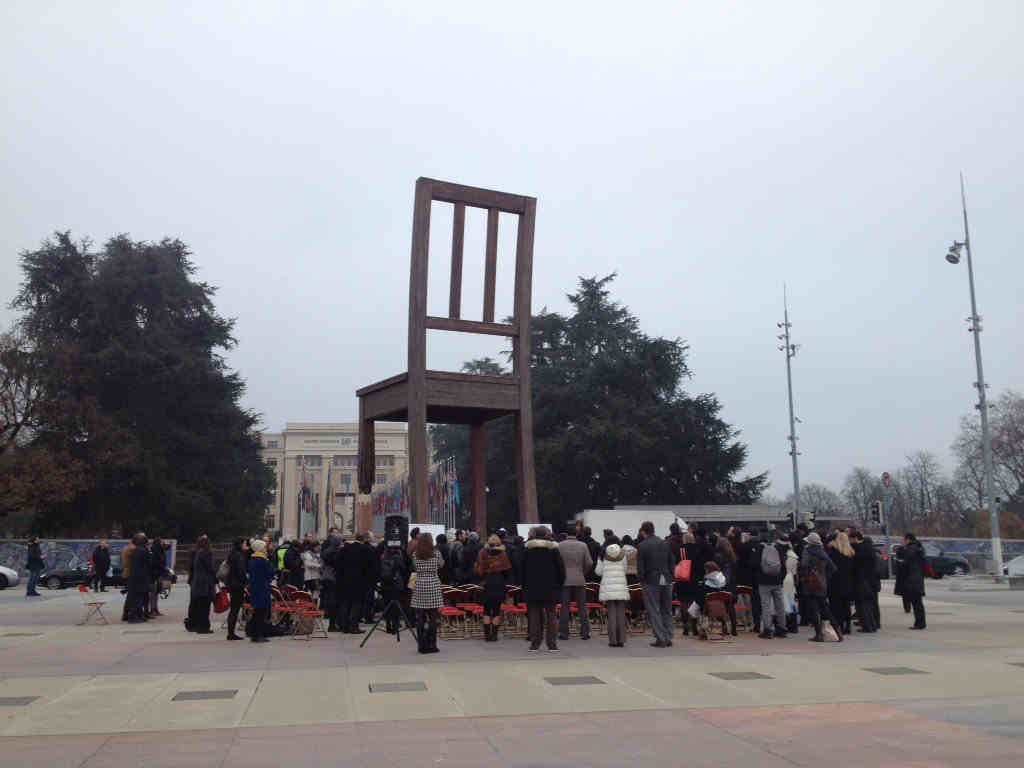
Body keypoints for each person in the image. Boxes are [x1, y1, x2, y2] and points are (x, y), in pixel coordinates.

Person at [521, 526, 565, 652]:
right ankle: (552, 644)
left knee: (534, 615)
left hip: (532, 587)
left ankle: (534, 644)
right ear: (547, 535)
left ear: (534, 535)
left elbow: (522, 569)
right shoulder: (554, 550)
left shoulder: (527, 550)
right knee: (551, 616)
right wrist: (559, 584)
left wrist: (524, 585)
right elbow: (561, 569)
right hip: (551, 587)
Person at [636, 521, 676, 648]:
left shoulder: (642, 546)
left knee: (654, 610)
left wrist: (641, 579)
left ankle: (660, 637)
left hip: (651, 580)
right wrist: (671, 575)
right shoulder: (665, 543)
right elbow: (672, 561)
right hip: (667, 579)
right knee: (667, 609)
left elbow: (640, 567)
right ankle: (669, 636)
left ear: (643, 531)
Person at [801, 532, 840, 642]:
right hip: (822, 584)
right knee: (826, 609)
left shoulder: (807, 551)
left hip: (811, 584)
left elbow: (804, 565)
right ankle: (838, 633)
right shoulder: (823, 552)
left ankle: (818, 634)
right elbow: (833, 568)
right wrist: (823, 576)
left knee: (814, 610)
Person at [750, 530, 788, 639]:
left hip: (764, 581)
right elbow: (783, 565)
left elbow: (754, 564)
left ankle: (767, 629)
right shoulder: (778, 548)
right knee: (780, 605)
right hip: (777, 581)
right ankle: (782, 628)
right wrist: (781, 578)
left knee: (766, 605)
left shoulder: (759, 548)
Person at [410, 532, 444, 654]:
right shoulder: (436, 553)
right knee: (433, 617)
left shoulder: (415, 554)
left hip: (419, 584)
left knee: (420, 618)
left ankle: (421, 645)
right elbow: (441, 565)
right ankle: (432, 645)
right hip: (433, 583)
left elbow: (414, 567)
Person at [474, 535, 512, 641]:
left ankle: (487, 635)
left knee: (486, 610)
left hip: (486, 582)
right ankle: (494, 635)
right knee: (496, 610)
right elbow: (507, 571)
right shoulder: (503, 554)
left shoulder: (482, 553)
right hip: (499, 583)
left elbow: (478, 568)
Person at [557, 530, 594, 640]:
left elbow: (557, 563)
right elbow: (589, 563)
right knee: (582, 606)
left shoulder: (560, 545)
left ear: (567, 535)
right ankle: (585, 632)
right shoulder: (583, 545)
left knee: (564, 607)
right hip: (579, 577)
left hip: (565, 579)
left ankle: (564, 633)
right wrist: (582, 572)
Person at [336, 533, 375, 633]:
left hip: (344, 580)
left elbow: (338, 564)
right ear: (364, 540)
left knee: (345, 603)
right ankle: (353, 626)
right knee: (356, 603)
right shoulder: (365, 549)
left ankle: (344, 626)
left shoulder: (345, 548)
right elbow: (370, 567)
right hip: (359, 581)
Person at [596, 542, 629, 647]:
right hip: (620, 587)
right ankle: (621, 640)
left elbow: (598, 572)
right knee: (620, 614)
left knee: (611, 615)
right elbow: (625, 569)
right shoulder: (622, 555)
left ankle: (613, 640)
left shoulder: (603, 556)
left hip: (608, 588)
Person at [378, 542, 411, 634]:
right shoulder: (398, 557)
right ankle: (395, 626)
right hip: (396, 585)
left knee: (387, 605)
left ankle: (388, 625)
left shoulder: (383, 557)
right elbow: (403, 569)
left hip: (385, 585)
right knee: (396, 606)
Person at [827, 531, 855, 635]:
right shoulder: (850, 553)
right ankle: (847, 625)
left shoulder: (834, 552)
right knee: (846, 604)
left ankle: (838, 625)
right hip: (847, 582)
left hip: (835, 582)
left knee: (835, 605)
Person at [897, 533, 927, 630]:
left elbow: (906, 563)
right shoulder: (919, 548)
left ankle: (919, 624)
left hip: (912, 579)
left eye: (904, 540)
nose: (903, 542)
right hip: (918, 578)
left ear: (908, 540)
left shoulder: (911, 550)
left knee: (916, 603)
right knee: (918, 603)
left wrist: (900, 562)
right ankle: (920, 623)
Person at [849, 530, 878, 633]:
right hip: (870, 580)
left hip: (861, 579)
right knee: (869, 605)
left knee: (862, 604)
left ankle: (867, 626)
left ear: (855, 538)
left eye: (851, 539)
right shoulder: (869, 547)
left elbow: (855, 565)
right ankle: (872, 625)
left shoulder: (858, 549)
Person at [186, 535, 216, 634]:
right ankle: (203, 627)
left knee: (198, 605)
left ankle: (197, 625)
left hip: (197, 583)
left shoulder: (198, 553)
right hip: (205, 583)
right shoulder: (207, 553)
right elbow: (210, 568)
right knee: (205, 606)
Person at [247, 539, 273, 642]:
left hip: (255, 587)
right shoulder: (262, 560)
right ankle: (258, 634)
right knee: (261, 612)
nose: (265, 549)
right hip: (262, 587)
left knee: (257, 611)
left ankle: (255, 633)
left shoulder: (252, 559)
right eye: (264, 547)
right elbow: (270, 572)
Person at [225, 537, 249, 641]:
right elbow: (240, 571)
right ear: (240, 544)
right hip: (237, 585)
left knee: (233, 610)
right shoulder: (239, 555)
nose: (245, 546)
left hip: (231, 583)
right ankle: (231, 634)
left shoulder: (232, 554)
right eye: (244, 544)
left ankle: (230, 632)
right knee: (235, 609)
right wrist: (246, 582)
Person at [125, 533, 151, 623]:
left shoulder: (136, 550)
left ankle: (139, 615)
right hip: (140, 578)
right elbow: (148, 564)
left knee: (137, 598)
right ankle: (133, 617)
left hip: (135, 578)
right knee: (138, 599)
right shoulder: (142, 551)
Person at [781, 539, 800, 634]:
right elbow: (795, 572)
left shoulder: (782, 554)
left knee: (782, 602)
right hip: (790, 578)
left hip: (783, 578)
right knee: (790, 602)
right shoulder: (794, 556)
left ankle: (785, 624)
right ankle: (793, 625)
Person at [148, 537, 168, 618]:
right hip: (153, 575)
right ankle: (152, 609)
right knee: (153, 593)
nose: (163, 543)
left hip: (158, 574)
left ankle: (155, 609)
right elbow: (155, 563)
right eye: (161, 542)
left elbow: (168, 547)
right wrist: (162, 568)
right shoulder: (154, 551)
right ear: (158, 543)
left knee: (156, 592)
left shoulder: (160, 550)